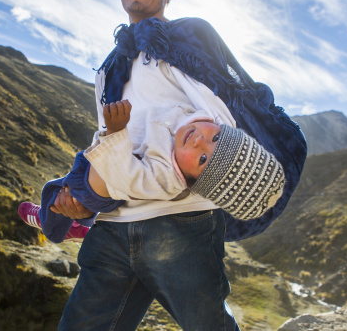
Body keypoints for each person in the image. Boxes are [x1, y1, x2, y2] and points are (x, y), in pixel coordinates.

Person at [30, 0, 306, 330]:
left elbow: (224, 118)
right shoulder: (108, 70)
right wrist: (89, 204)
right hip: (114, 227)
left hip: (182, 224)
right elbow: (108, 145)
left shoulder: (189, 38)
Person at [19, 99, 286, 242]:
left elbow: (126, 175)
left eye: (203, 159)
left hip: (94, 186)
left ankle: (53, 226)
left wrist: (115, 132)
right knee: (58, 190)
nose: (198, 141)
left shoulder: (165, 178)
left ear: (193, 182)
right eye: (215, 138)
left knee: (54, 195)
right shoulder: (193, 115)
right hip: (95, 160)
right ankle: (77, 224)